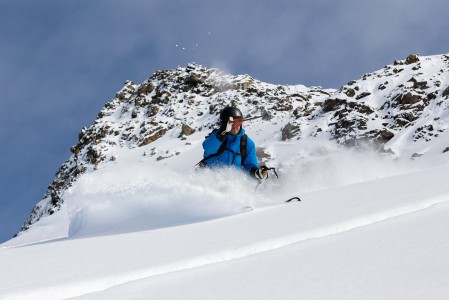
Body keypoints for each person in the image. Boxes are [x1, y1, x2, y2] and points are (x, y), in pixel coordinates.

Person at [199, 106, 268, 181]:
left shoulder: (246, 143)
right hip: (207, 179)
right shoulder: (216, 137)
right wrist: (222, 133)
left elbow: (250, 165)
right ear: (225, 123)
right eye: (231, 122)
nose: (235, 126)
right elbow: (208, 148)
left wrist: (256, 172)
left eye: (239, 122)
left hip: (230, 183)